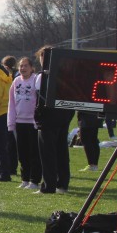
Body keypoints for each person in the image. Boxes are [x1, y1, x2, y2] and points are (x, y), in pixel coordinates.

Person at [34, 45, 72, 194]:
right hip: (63, 116)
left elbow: (39, 99)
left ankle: (48, 186)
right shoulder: (66, 75)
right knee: (61, 150)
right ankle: (62, 184)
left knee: (48, 152)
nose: (42, 60)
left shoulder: (43, 76)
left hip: (48, 117)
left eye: (43, 57)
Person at [7, 56, 42, 190]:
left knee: (34, 152)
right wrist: (11, 122)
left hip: (32, 123)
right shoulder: (16, 81)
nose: (23, 68)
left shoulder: (36, 80)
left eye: (25, 65)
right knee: (22, 153)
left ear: (32, 68)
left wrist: (37, 120)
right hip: (19, 122)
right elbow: (11, 103)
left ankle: (34, 180)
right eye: (21, 66)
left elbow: (39, 102)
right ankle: (25, 179)